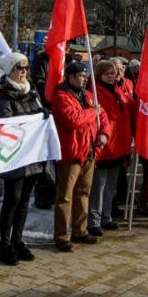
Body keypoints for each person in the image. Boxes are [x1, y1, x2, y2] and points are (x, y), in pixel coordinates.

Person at [0, 54, 46, 265]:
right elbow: (5, 121)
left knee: (24, 200)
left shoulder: (31, 90)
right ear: (10, 70)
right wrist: (33, 119)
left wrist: (42, 114)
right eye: (19, 67)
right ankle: (4, 245)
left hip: (32, 153)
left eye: (26, 67)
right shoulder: (2, 93)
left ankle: (17, 239)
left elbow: (38, 110)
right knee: (12, 200)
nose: (24, 71)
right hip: (14, 153)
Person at [50, 59, 104, 251]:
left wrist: (103, 133)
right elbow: (74, 120)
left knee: (83, 193)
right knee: (65, 196)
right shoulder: (61, 97)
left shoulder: (88, 95)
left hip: (88, 151)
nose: (84, 79)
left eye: (85, 76)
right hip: (70, 153)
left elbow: (102, 115)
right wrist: (92, 112)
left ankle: (80, 230)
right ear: (70, 77)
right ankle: (62, 235)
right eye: (80, 76)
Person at [90, 59, 134, 235]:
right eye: (107, 73)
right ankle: (94, 221)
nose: (111, 76)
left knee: (110, 186)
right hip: (105, 145)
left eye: (113, 73)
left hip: (119, 146)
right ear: (100, 75)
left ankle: (106, 217)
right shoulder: (96, 92)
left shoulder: (118, 91)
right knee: (98, 186)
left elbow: (129, 109)